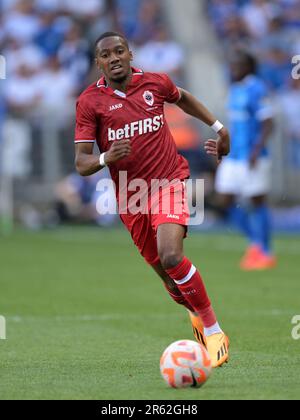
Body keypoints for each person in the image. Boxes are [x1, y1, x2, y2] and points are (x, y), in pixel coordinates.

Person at [74, 32, 230, 368]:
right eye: (106, 54)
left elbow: (182, 97)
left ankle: (214, 329)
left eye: (119, 51)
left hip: (169, 180)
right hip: (130, 196)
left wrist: (218, 127)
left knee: (172, 255)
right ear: (98, 62)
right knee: (168, 276)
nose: (114, 58)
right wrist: (106, 158)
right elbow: (82, 162)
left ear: (130, 53)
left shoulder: (155, 83)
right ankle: (192, 310)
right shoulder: (89, 102)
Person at [215, 49, 276, 270]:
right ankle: (256, 243)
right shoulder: (234, 90)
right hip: (234, 156)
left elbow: (269, 123)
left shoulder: (257, 88)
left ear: (248, 67)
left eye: (238, 65)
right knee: (224, 199)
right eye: (232, 65)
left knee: (257, 201)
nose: (233, 68)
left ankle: (264, 251)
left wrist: (256, 151)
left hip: (253, 156)